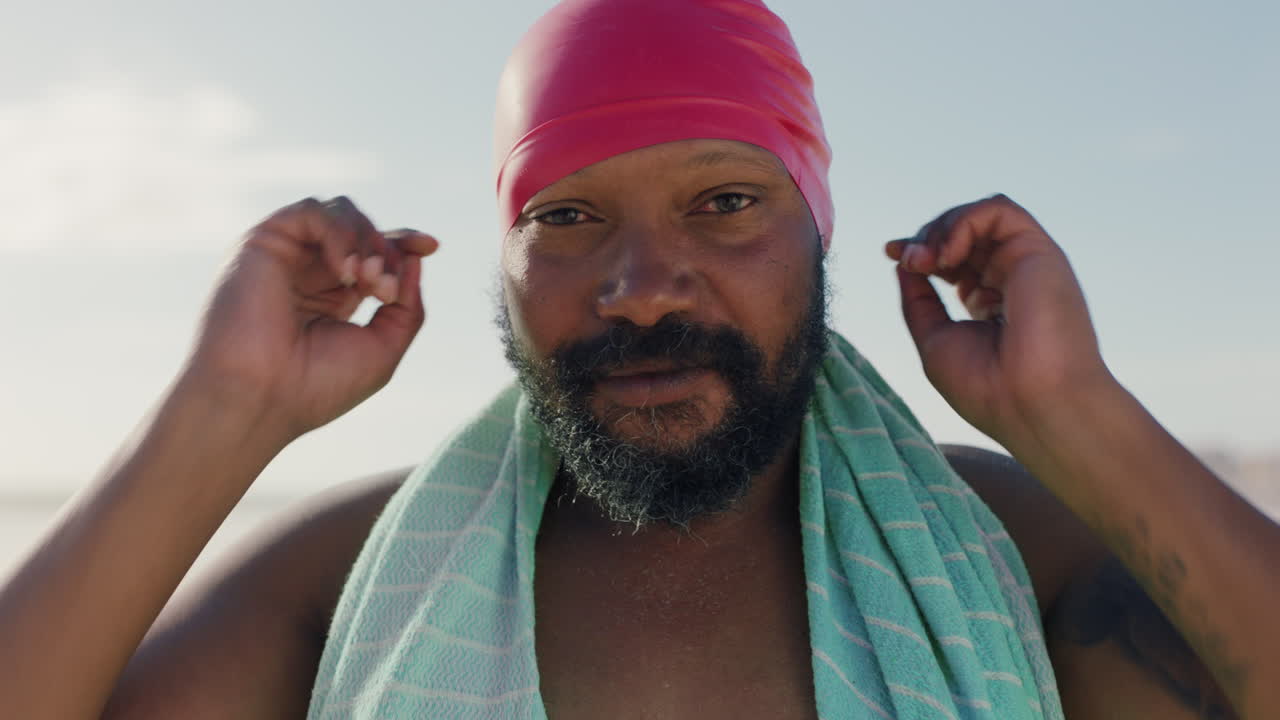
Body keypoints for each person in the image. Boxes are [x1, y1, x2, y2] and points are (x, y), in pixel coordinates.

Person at [1, 0, 1275, 717]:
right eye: (565, 218)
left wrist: (1079, 416)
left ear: (819, 232)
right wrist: (218, 413)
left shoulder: (1017, 555)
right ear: (499, 259)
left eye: (724, 204)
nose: (640, 289)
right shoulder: (338, 584)